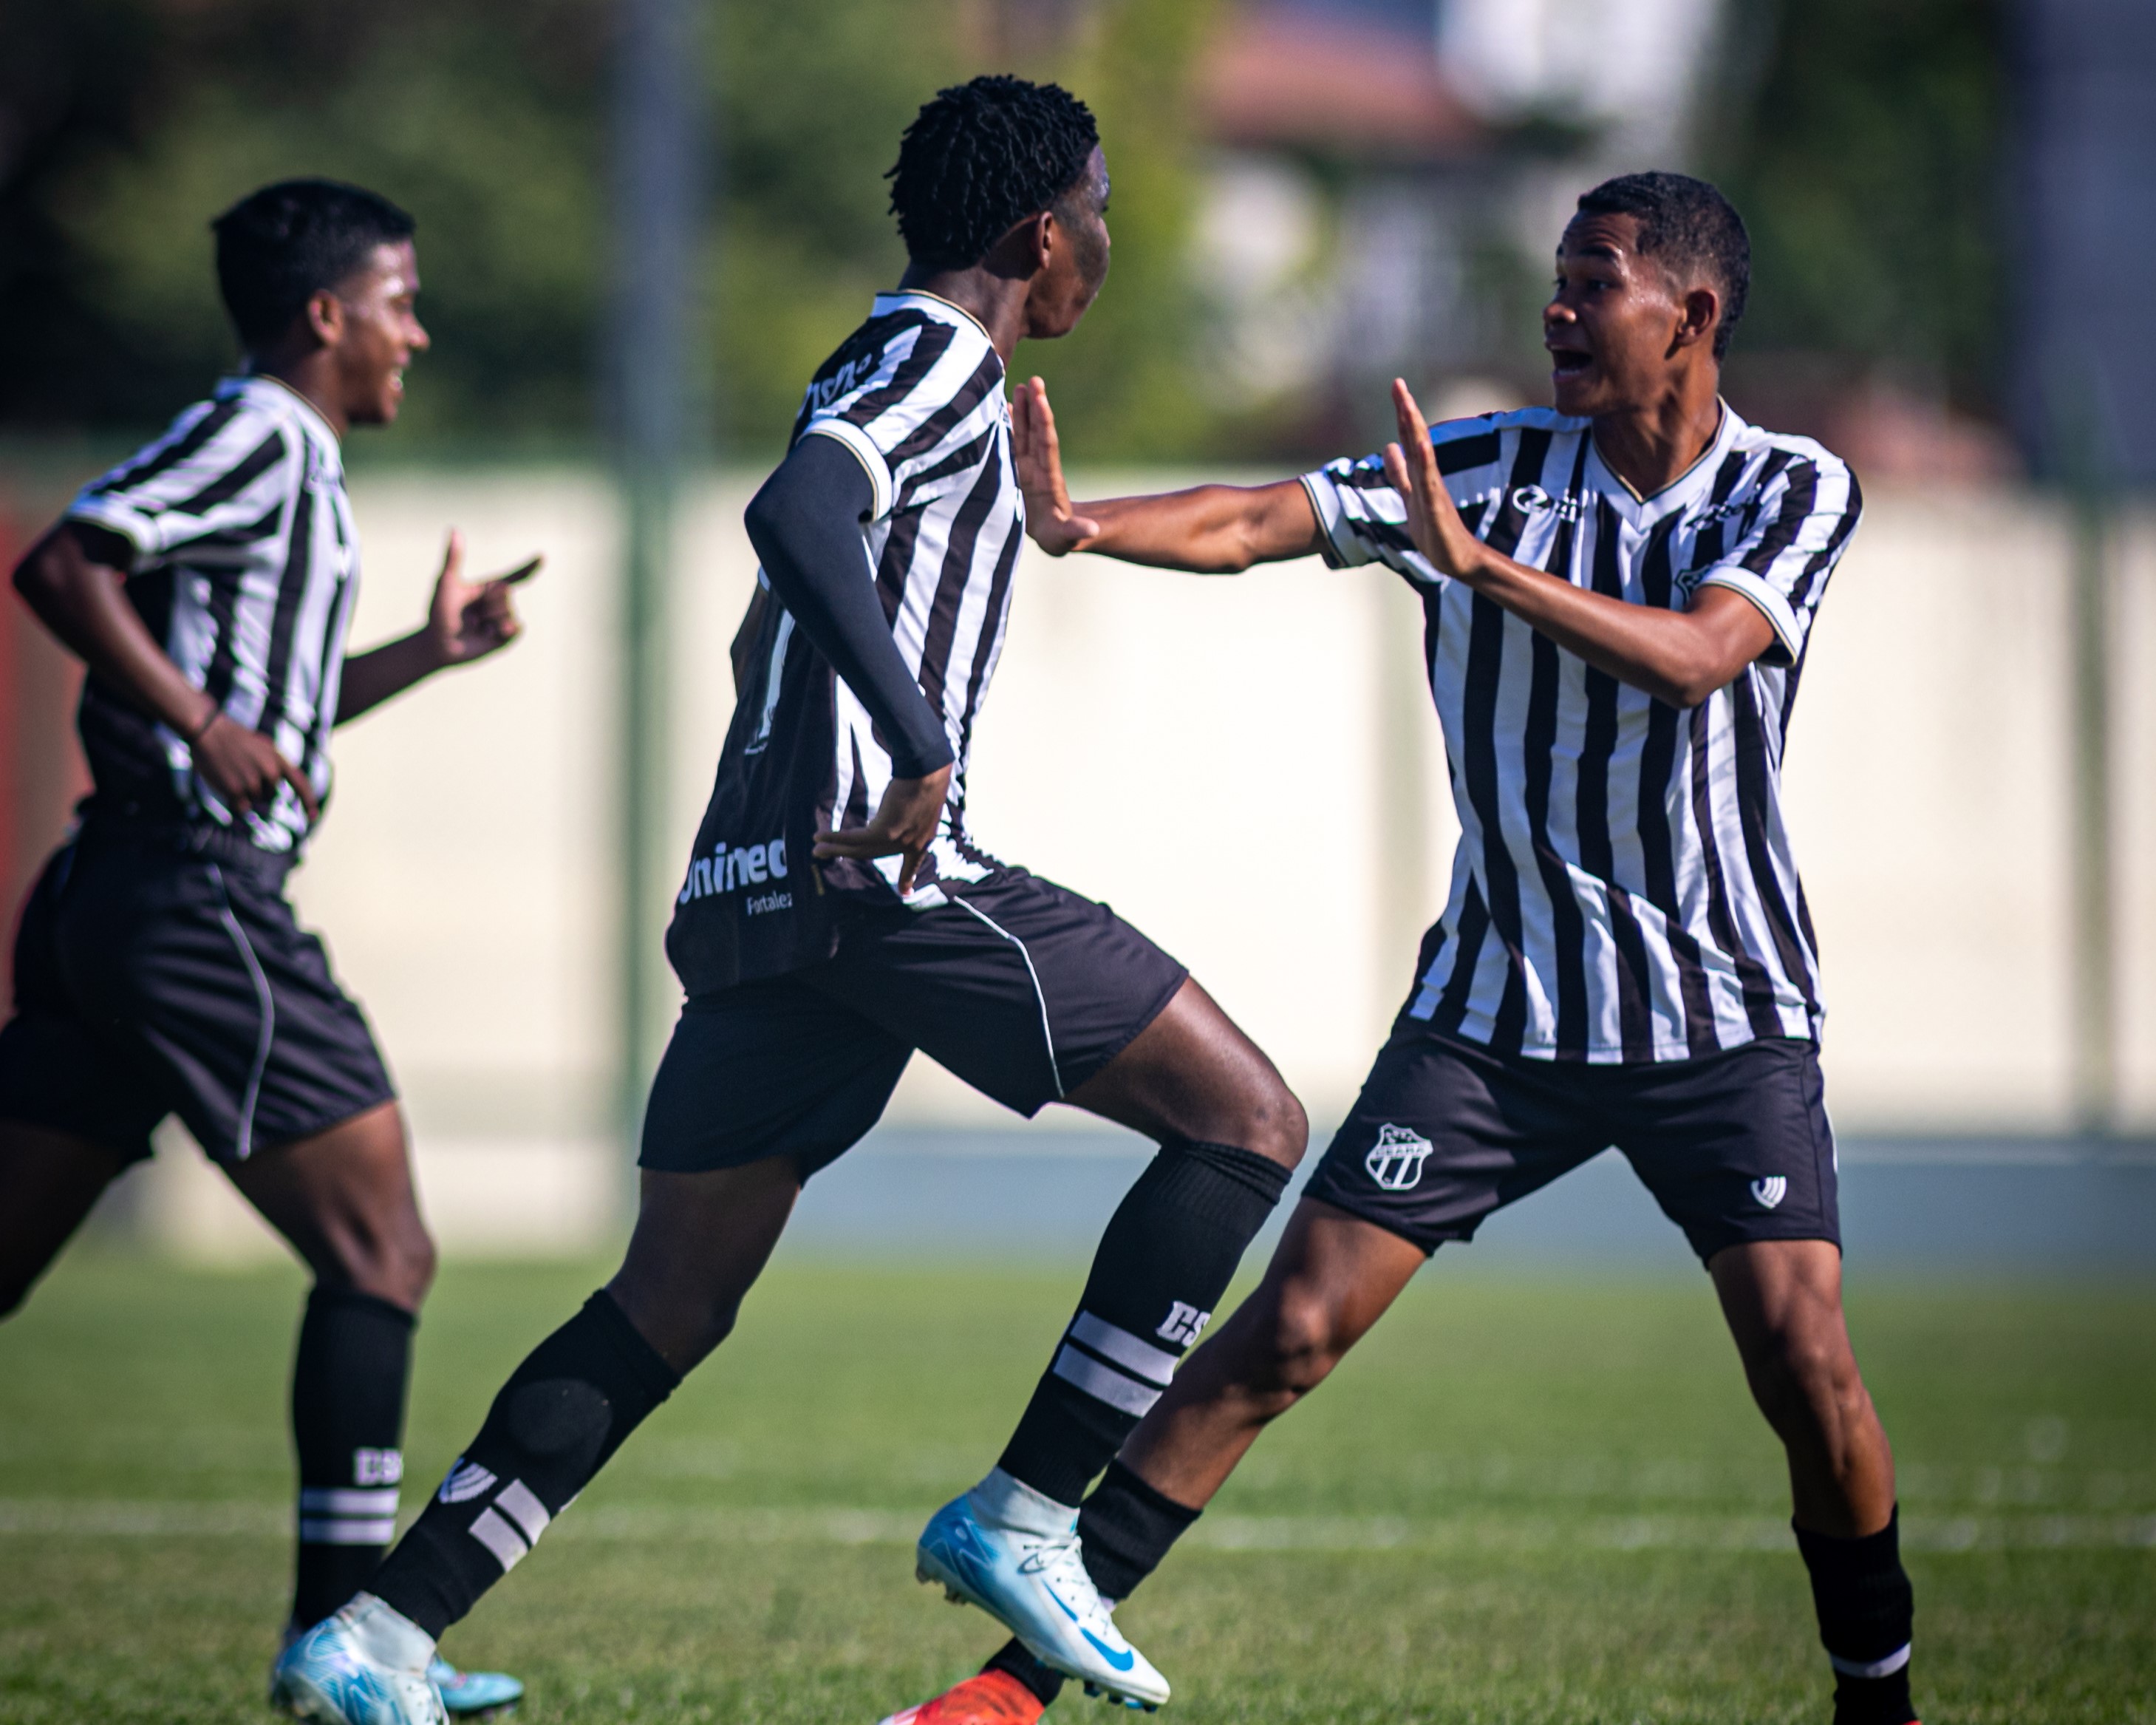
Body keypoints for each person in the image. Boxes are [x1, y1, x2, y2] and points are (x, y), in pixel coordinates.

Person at [273, 76, 1305, 1725]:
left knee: (667, 1298)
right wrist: (914, 749)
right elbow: (799, 512)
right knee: (1247, 1120)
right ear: (1044, 234)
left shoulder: (878, 352)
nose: (1101, 239)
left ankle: (379, 1634)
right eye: (1097, 209)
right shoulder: (939, 359)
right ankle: (1029, 1515)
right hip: (881, 878)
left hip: (762, 891)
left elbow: (810, 562)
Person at [887, 172, 1919, 1725]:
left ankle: (1879, 1703)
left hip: (1718, 1016)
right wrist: (1080, 525)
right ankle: (1003, 1699)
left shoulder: (1788, 488)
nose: (1559, 310)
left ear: (1692, 316)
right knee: (1284, 1332)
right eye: (1556, 281)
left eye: (1597, 283)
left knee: (1806, 1369)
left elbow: (1705, 655)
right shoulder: (1487, 465)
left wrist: (1477, 565)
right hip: (1497, 1020)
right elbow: (1258, 516)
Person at [0, 181, 536, 1712]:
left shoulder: (299, 469)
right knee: (383, 1246)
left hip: (127, 896)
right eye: (399, 300)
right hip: (191, 900)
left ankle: (336, 1651)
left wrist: (425, 655)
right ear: (324, 316)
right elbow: (62, 564)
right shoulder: (258, 433)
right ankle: (342, 1648)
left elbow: (275, 732)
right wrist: (200, 720)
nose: (415, 332)